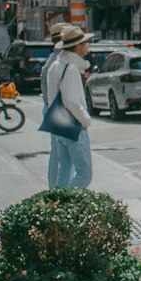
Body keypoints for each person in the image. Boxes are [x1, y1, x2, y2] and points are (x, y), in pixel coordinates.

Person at [43, 25, 95, 188]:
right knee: (84, 174)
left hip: (59, 124)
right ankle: (66, 206)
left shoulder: (55, 66)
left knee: (64, 170)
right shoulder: (71, 68)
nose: (87, 46)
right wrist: (85, 120)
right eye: (85, 43)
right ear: (77, 46)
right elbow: (72, 102)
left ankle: (57, 206)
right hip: (73, 125)